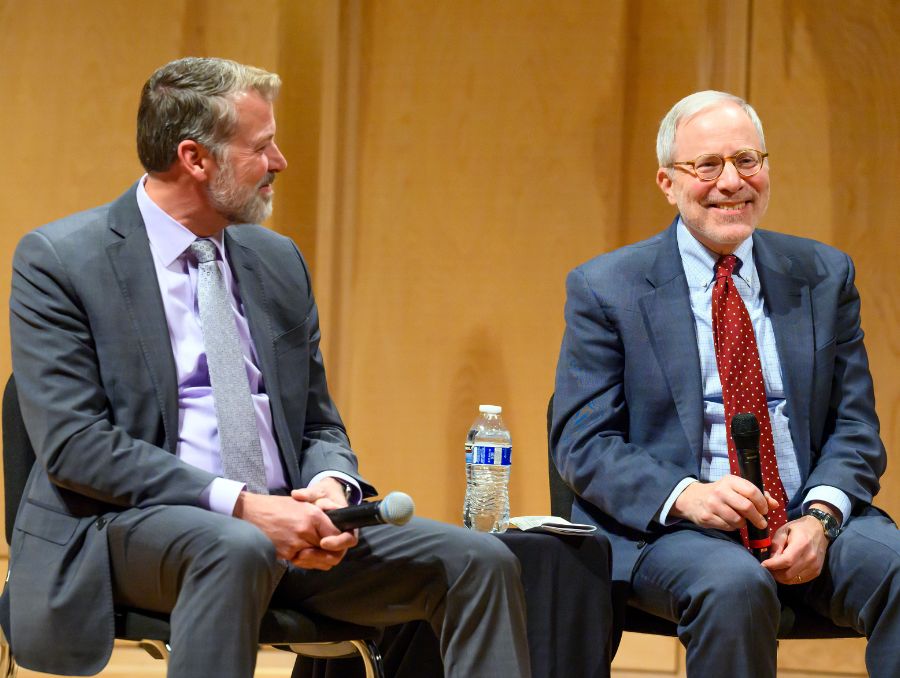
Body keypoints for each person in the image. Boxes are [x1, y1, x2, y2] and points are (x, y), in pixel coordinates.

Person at [4, 57, 531, 678]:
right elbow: (76, 447)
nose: (279, 161)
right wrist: (243, 507)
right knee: (236, 545)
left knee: (481, 560)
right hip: (127, 525)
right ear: (196, 159)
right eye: (262, 146)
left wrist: (334, 487)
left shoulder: (277, 261)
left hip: (284, 523)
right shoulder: (61, 261)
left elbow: (318, 424)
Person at [551, 90, 899, 677]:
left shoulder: (824, 274)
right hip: (672, 530)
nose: (731, 182)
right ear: (667, 182)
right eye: (706, 165)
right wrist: (686, 494)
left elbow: (856, 428)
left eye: (747, 161)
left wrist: (821, 517)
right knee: (735, 586)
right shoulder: (607, 288)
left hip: (805, 520)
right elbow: (583, 444)